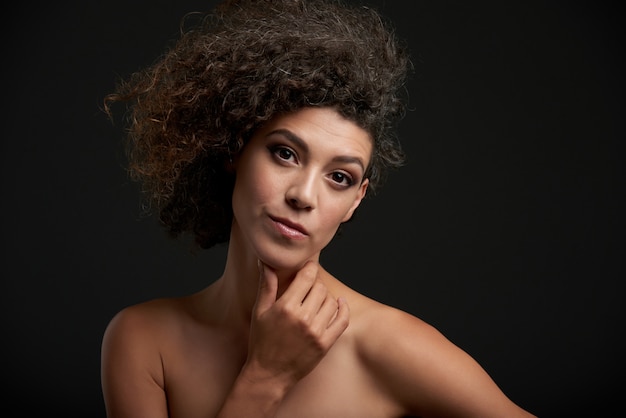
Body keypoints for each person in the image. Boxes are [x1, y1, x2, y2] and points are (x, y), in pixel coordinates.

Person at [101, 0, 536, 416]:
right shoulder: (143, 342)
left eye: (339, 178)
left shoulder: (389, 346)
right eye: (285, 153)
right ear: (233, 149)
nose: (304, 196)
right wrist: (266, 377)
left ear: (356, 201)